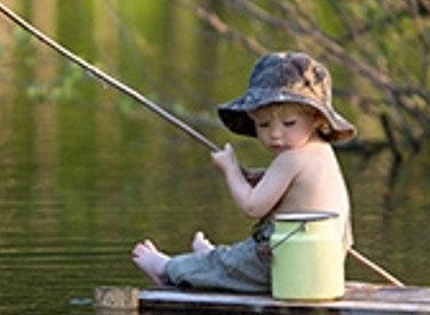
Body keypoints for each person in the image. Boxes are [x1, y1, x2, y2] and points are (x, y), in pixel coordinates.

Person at [131, 51, 356, 292]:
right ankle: (214, 258)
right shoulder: (322, 151)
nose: (275, 134)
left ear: (316, 119)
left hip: (283, 265)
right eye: (263, 125)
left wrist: (230, 170)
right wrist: (263, 178)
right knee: (236, 258)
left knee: (229, 267)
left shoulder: (289, 159)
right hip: (320, 264)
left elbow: (252, 207)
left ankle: (168, 269)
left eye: (288, 123)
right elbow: (298, 195)